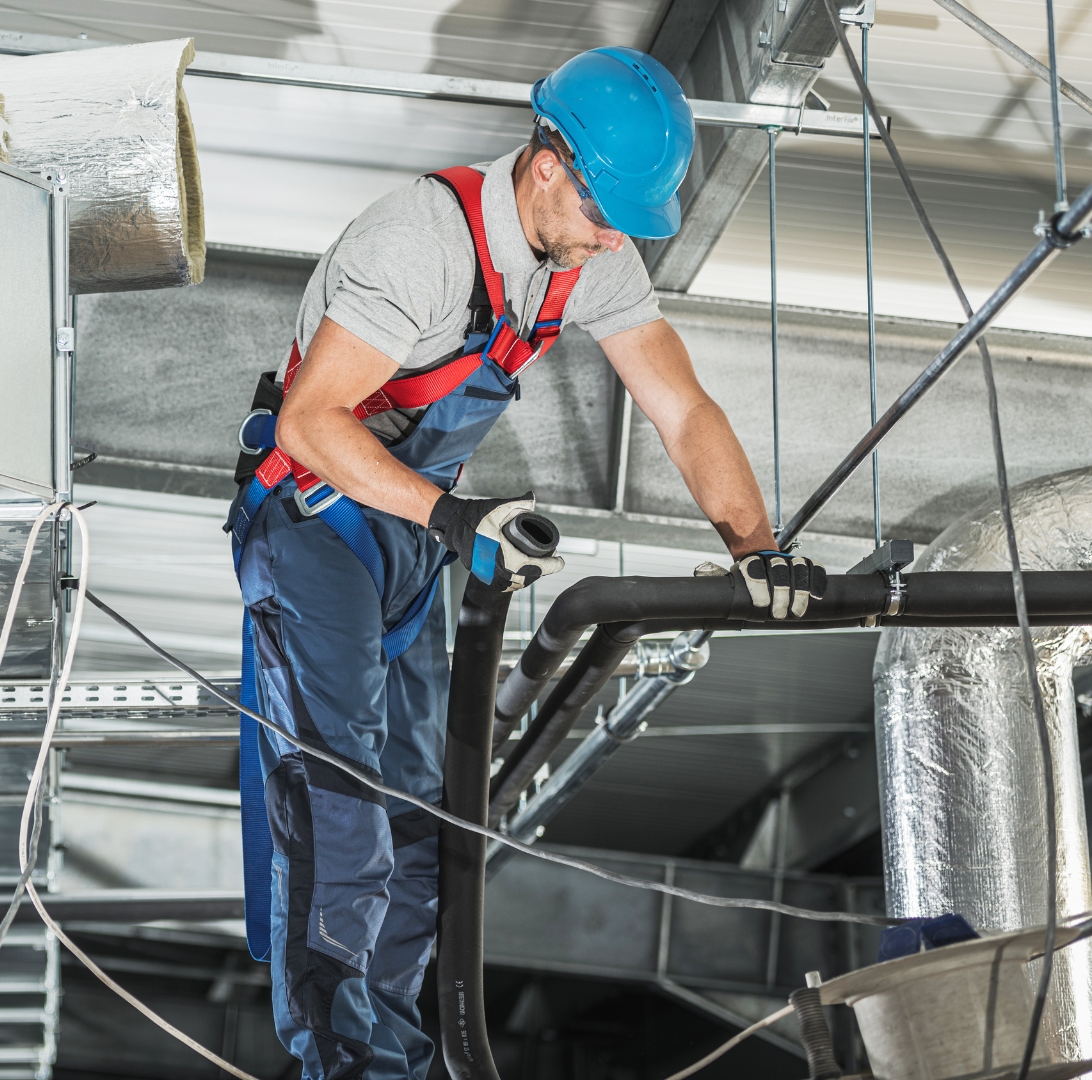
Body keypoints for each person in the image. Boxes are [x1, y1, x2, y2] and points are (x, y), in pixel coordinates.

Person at [226, 46, 825, 1080]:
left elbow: (681, 410)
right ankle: (339, 1057)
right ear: (547, 162)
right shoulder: (419, 242)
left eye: (627, 226)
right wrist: (455, 519)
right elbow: (316, 422)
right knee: (343, 790)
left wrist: (757, 548)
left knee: (427, 808)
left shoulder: (593, 254)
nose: (611, 241)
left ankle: (400, 1056)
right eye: (603, 215)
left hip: (411, 540)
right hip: (313, 515)